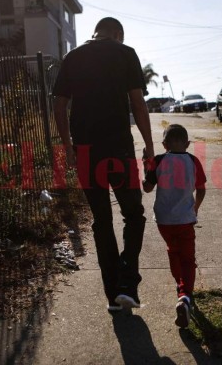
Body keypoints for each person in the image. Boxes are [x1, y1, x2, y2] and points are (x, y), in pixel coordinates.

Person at [52, 17, 154, 312]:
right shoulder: (125, 53)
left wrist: (68, 147)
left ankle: (113, 295)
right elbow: (138, 102)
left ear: (94, 32)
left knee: (102, 221)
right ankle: (126, 284)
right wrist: (148, 144)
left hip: (85, 152)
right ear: (117, 34)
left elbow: (59, 104)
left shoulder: (72, 57)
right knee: (133, 215)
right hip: (118, 150)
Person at [142, 124, 206, 328]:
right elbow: (201, 189)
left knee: (173, 251)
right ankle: (185, 296)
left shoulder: (159, 161)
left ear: (164, 144)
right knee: (188, 259)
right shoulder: (194, 161)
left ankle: (180, 286)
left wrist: (146, 164)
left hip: (164, 220)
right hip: (185, 219)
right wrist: (195, 208)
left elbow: (147, 187)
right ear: (187, 144)